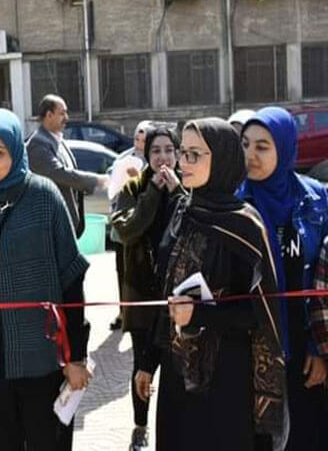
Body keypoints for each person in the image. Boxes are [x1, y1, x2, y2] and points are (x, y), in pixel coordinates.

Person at [0, 108, 91, 451]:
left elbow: (72, 280)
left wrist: (77, 358)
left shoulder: (44, 197)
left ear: (15, 150)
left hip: (41, 362)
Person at [138, 118, 286, 451]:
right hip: (179, 371)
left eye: (195, 155)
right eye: (183, 153)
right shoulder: (182, 210)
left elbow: (257, 314)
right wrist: (148, 361)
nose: (182, 163)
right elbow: (166, 290)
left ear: (220, 158)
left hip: (226, 377)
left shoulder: (245, 225)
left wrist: (201, 315)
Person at [238, 107, 328, 451]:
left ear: (286, 148)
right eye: (245, 144)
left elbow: (322, 281)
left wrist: (318, 349)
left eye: (262, 146)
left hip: (305, 351)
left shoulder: (316, 199)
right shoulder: (236, 203)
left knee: (307, 435)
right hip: (254, 353)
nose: (250, 155)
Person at [110, 126, 184, 451]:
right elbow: (126, 229)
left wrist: (178, 192)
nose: (163, 157)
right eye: (156, 151)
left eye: (169, 150)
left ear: (178, 154)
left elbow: (194, 222)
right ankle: (140, 428)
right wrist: (153, 192)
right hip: (142, 292)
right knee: (142, 363)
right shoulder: (133, 187)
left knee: (174, 361)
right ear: (146, 155)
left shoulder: (187, 189)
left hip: (177, 294)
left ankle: (174, 428)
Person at [26, 94, 108, 238]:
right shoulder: (38, 145)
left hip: (65, 224)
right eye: (62, 113)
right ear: (49, 115)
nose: (67, 118)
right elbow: (60, 174)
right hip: (49, 227)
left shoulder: (57, 139)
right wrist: (98, 180)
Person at [108, 120, 153, 331]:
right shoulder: (123, 160)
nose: (140, 144)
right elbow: (113, 191)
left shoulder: (155, 161)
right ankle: (122, 311)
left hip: (144, 229)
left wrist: (140, 181)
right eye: (137, 139)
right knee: (121, 271)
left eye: (144, 140)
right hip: (123, 228)